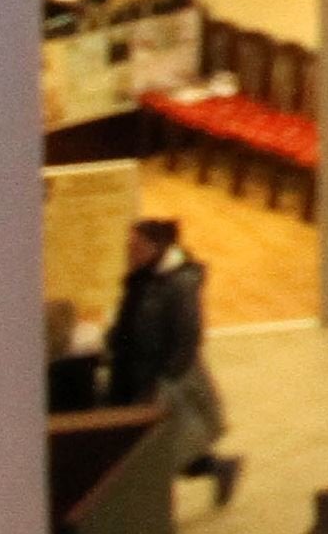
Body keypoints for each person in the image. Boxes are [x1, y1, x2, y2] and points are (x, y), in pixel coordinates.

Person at [103, 215, 242, 507]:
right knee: (160, 447)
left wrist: (167, 380)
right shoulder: (141, 277)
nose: (130, 249)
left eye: (136, 244)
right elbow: (130, 319)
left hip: (160, 377)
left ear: (157, 246)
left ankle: (153, 512)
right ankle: (219, 468)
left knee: (157, 451)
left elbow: (188, 336)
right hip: (134, 372)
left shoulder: (179, 284)